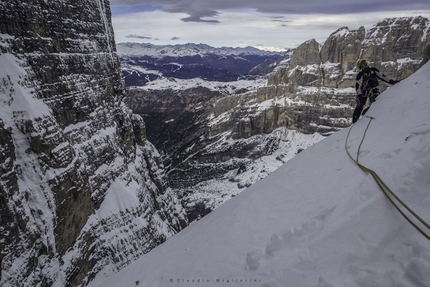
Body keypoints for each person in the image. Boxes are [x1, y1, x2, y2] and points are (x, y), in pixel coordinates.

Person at [352, 59, 399, 123]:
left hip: (373, 90)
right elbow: (358, 87)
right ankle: (354, 121)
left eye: (365, 62)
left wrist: (392, 82)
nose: (365, 64)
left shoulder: (373, 70)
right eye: (363, 63)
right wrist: (360, 96)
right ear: (361, 66)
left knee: (376, 101)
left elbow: (382, 77)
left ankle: (369, 112)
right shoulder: (360, 75)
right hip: (364, 92)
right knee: (360, 106)